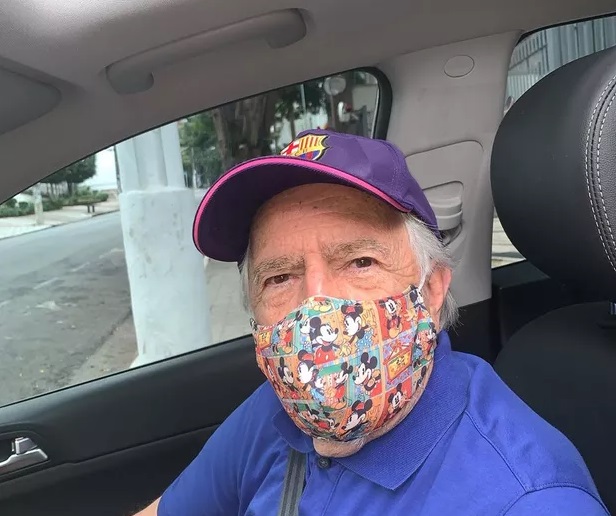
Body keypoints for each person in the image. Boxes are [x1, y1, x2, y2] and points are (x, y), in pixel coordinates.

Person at [137, 130, 607, 515]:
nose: (315, 305)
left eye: (361, 262)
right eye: (279, 277)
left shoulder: (530, 501)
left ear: (432, 289)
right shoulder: (276, 413)